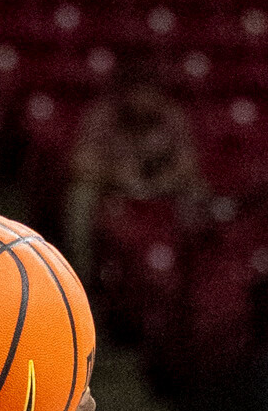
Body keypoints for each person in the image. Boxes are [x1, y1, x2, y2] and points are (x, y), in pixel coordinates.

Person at [62, 77, 210, 278]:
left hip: (162, 187)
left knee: (198, 191)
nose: (143, 101)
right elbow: (80, 162)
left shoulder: (170, 115)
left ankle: (197, 269)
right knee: (80, 195)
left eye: (150, 93)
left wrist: (162, 181)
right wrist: (114, 175)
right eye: (138, 93)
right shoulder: (105, 115)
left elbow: (189, 164)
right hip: (112, 187)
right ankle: (81, 270)